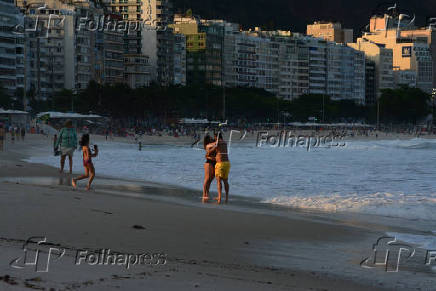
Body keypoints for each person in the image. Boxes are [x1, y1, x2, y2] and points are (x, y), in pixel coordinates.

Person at [211, 132, 230, 204]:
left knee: (219, 181)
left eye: (215, 137)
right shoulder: (225, 143)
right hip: (227, 163)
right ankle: (226, 198)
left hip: (220, 164)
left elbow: (212, 149)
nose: (214, 139)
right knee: (225, 181)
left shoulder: (217, 142)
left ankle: (219, 198)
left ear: (216, 137)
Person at [202, 135, 216, 202]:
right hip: (209, 163)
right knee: (207, 179)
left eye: (211, 137)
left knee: (211, 179)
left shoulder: (213, 143)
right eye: (210, 138)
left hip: (214, 163)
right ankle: (204, 194)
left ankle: (207, 193)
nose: (211, 138)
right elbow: (209, 152)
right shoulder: (207, 145)